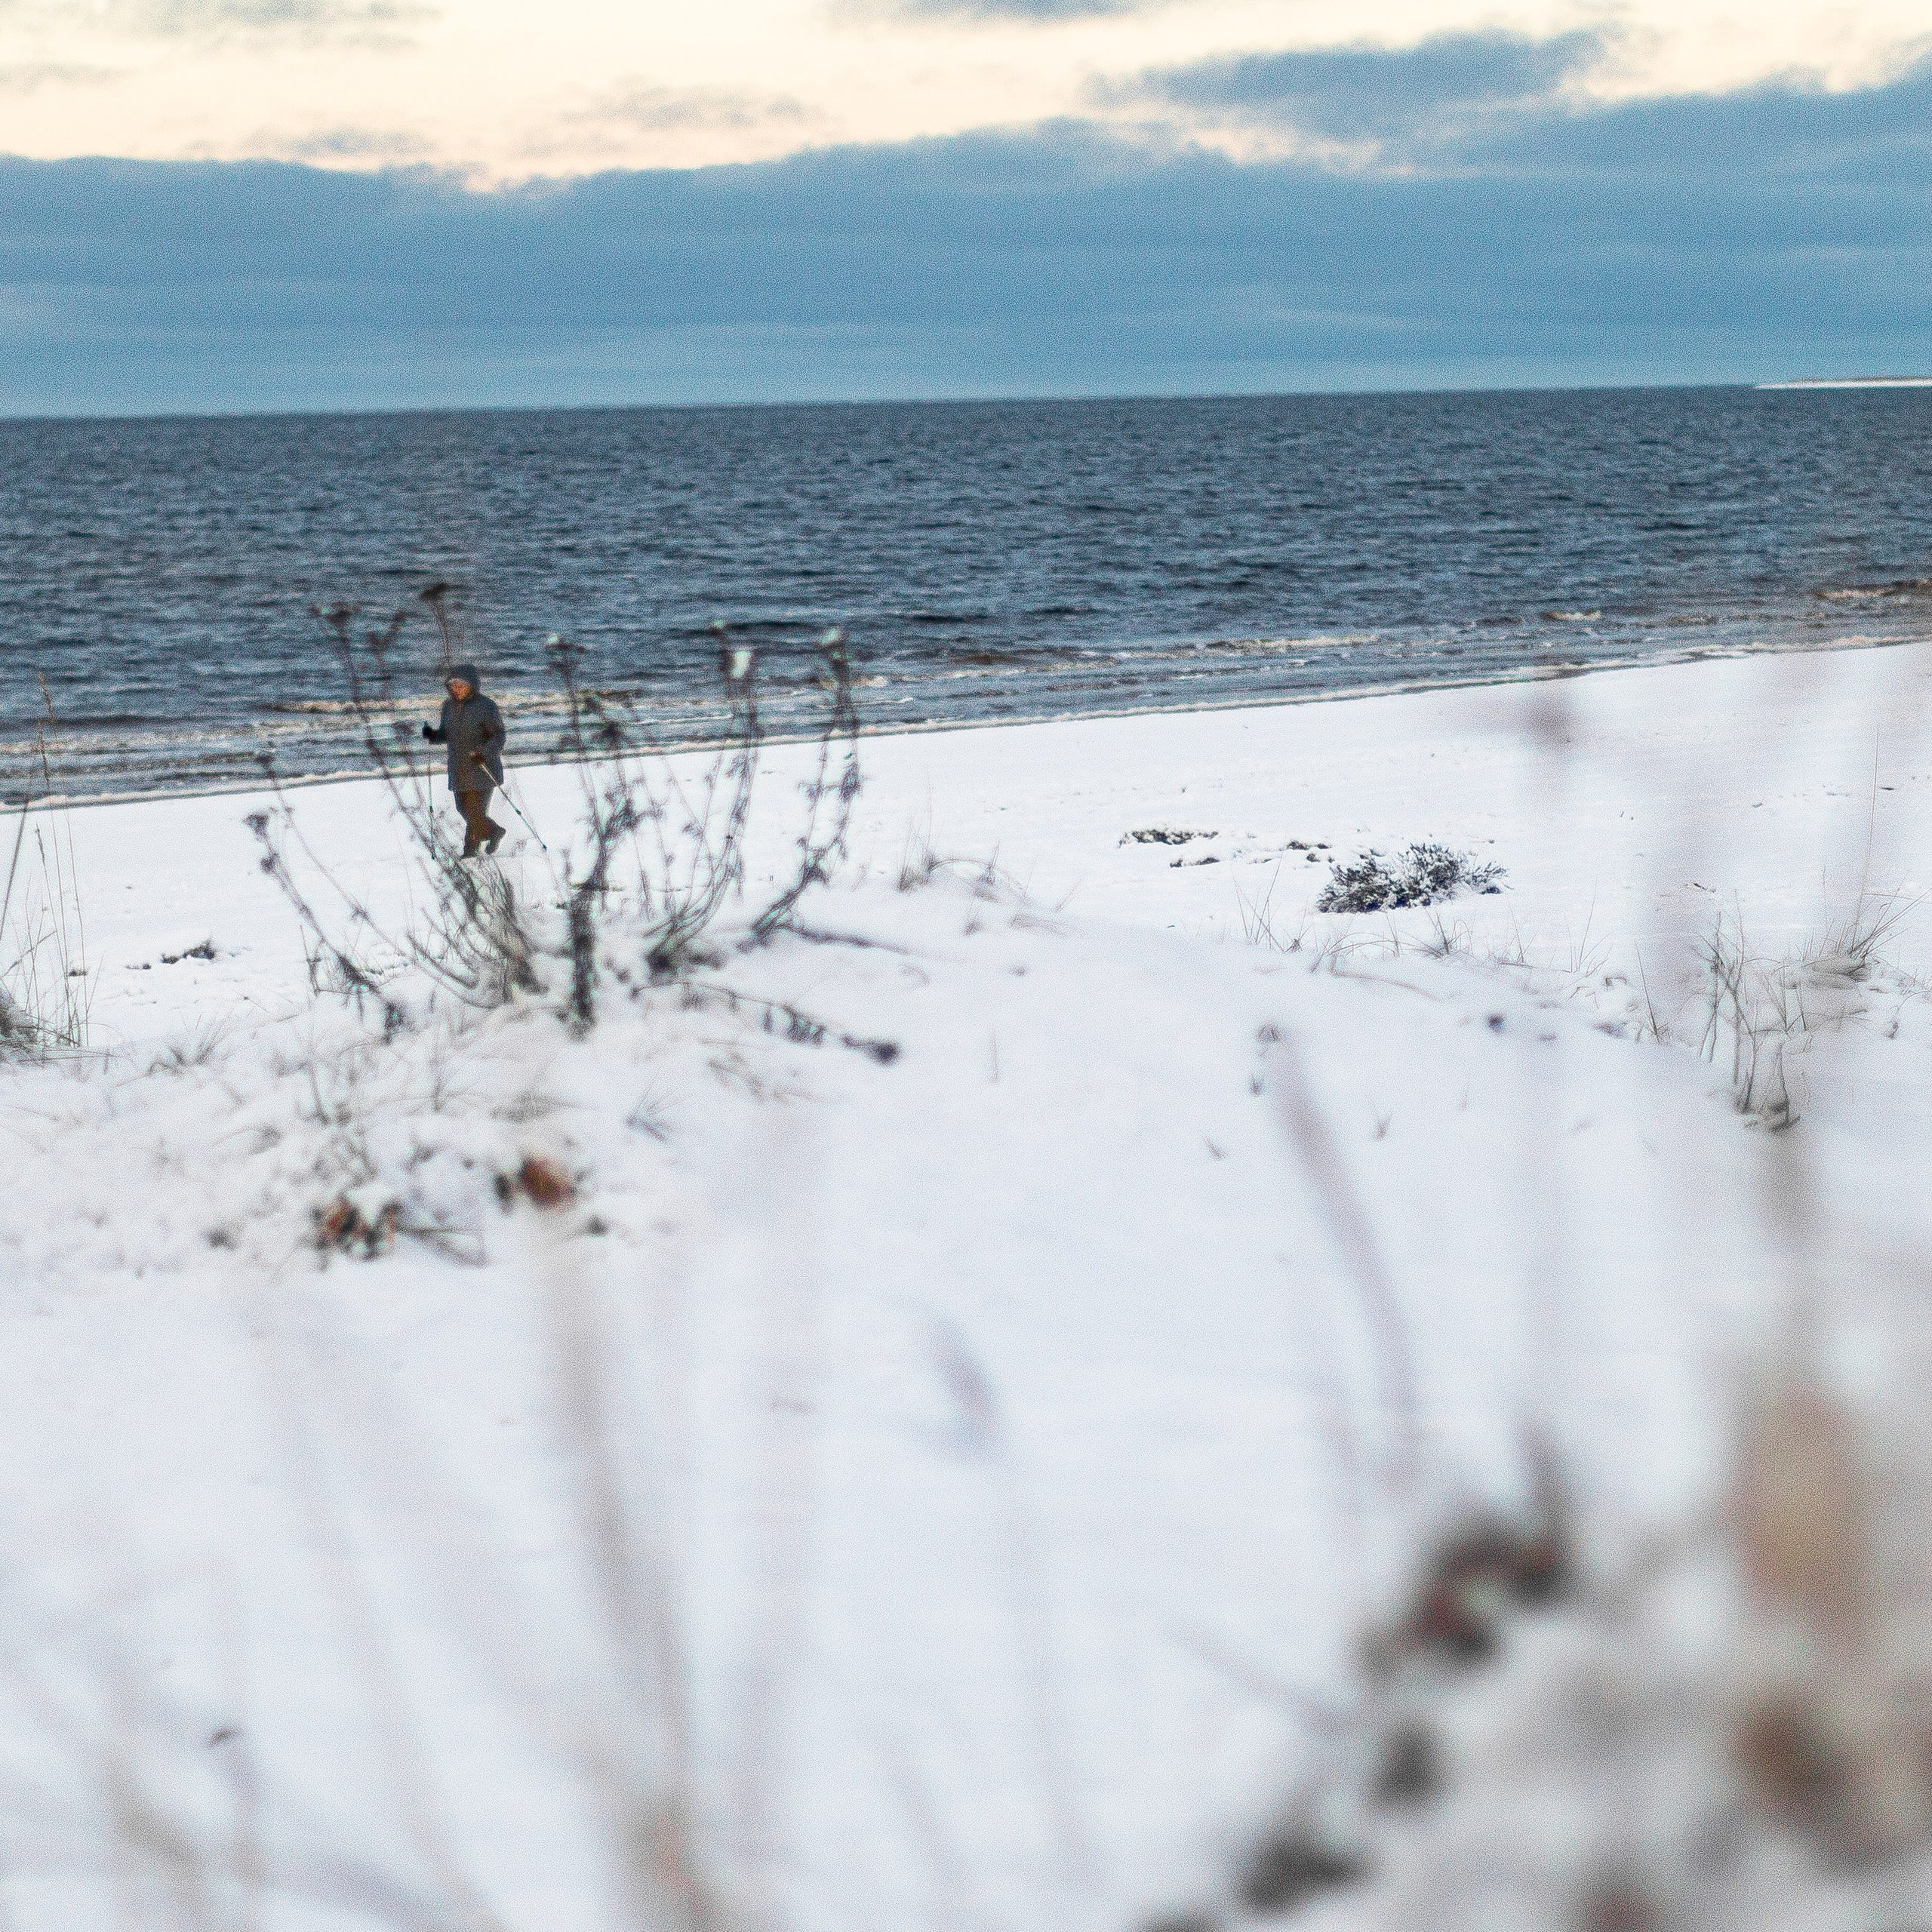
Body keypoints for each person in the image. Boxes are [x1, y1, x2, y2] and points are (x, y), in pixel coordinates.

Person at [422, 662, 507, 858]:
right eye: (453, 686)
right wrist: (432, 735)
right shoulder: (449, 707)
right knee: (464, 809)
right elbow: (446, 735)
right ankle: (494, 832)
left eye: (461, 685)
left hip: (483, 767)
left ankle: (470, 852)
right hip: (459, 769)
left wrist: (483, 753)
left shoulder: (486, 706)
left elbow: (499, 737)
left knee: (476, 812)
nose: (456, 689)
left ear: (471, 685)